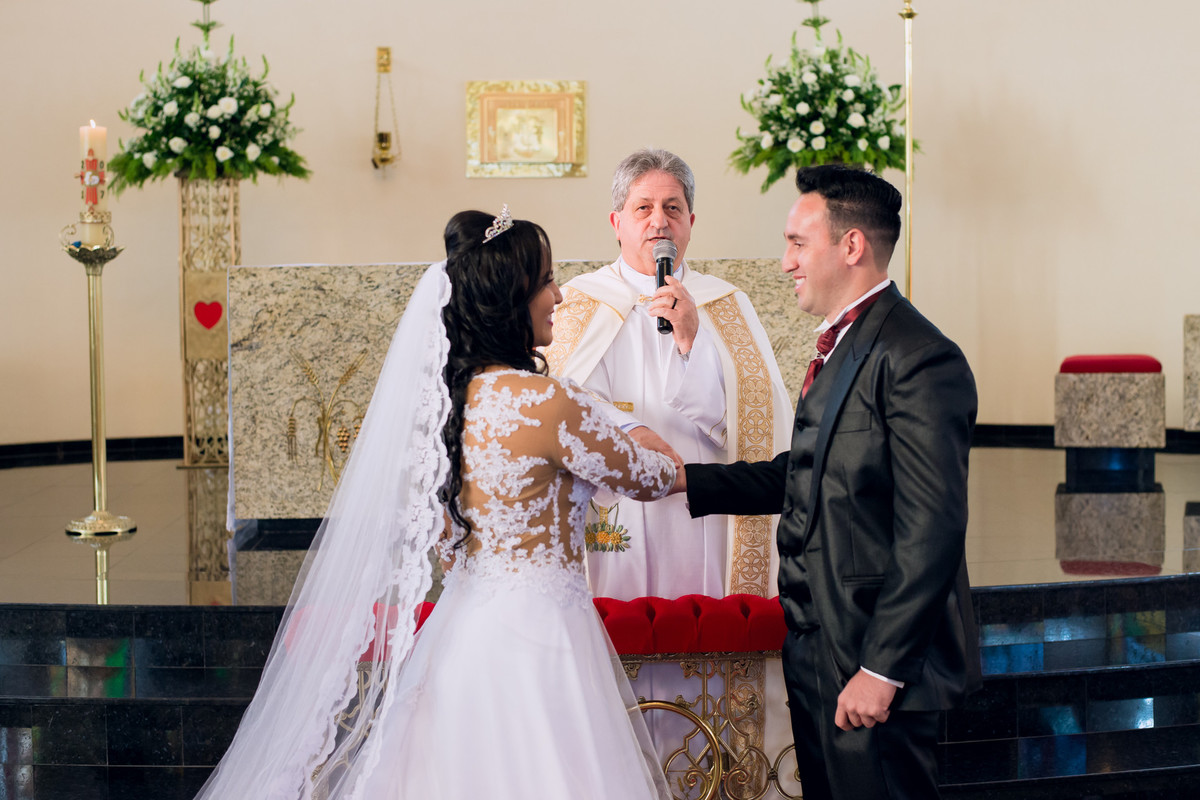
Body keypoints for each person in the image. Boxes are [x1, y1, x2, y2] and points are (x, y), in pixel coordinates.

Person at [195, 208, 679, 799]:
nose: (559, 295)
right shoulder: (547, 403)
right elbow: (652, 477)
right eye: (547, 281)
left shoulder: (447, 404)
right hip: (540, 636)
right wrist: (642, 437)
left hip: (462, 632)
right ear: (512, 297)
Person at [677, 165, 981, 800]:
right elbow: (807, 475)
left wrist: (881, 669)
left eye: (797, 242)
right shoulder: (846, 345)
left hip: (871, 658)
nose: (785, 261)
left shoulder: (919, 356)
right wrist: (683, 480)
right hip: (820, 649)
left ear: (851, 246)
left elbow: (933, 528)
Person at [544, 148, 792, 601]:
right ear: (617, 223)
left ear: (691, 224)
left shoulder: (725, 303)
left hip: (706, 510)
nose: (659, 222)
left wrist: (691, 343)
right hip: (615, 505)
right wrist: (627, 430)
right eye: (643, 208)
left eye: (672, 208)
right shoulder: (580, 302)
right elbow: (561, 399)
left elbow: (754, 418)